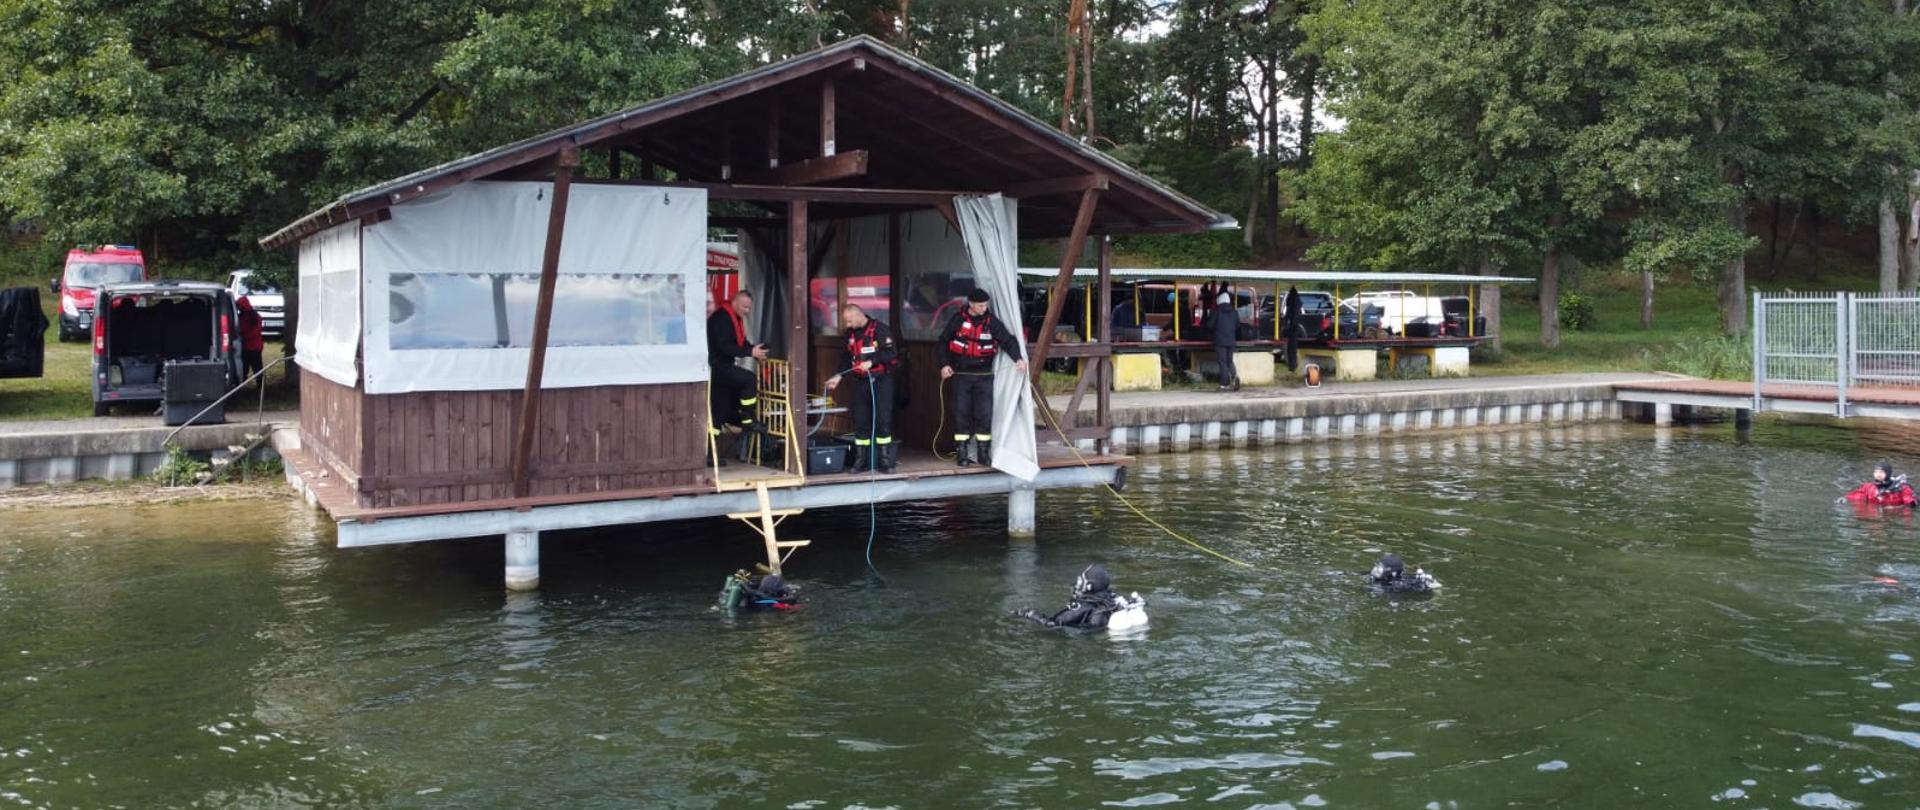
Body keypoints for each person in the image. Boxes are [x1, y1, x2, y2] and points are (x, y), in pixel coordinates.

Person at [938, 288, 1029, 467]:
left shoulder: (991, 322)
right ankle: (962, 452)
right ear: (971, 304)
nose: (984, 307)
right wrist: (944, 364)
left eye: (986, 304)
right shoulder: (957, 320)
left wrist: (1018, 358)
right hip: (961, 375)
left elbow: (1007, 340)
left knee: (984, 414)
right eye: (980, 305)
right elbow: (942, 342)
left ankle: (983, 453)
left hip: (984, 376)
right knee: (961, 413)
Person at [827, 303, 899, 473]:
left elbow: (891, 353)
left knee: (883, 420)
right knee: (860, 421)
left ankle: (884, 460)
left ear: (859, 316)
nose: (848, 325)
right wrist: (839, 376)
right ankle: (861, 461)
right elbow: (845, 359)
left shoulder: (880, 330)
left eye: (850, 321)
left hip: (881, 381)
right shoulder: (849, 335)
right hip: (860, 382)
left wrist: (872, 361)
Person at [707, 290, 768, 460]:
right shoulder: (721, 319)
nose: (747, 311)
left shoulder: (734, 318)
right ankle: (749, 421)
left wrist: (754, 349)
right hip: (717, 367)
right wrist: (750, 351)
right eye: (744, 307)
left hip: (722, 367)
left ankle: (710, 455)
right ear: (734, 302)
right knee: (748, 379)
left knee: (719, 412)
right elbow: (724, 347)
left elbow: (740, 343)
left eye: (749, 308)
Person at [1017, 564, 1146, 629]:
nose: (1078, 586)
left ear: (1089, 587)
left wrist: (1030, 614)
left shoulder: (1084, 606)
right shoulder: (1113, 598)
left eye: (1081, 583)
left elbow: (1053, 624)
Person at [718, 569, 799, 611]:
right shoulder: (765, 597)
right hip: (749, 610)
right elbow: (786, 600)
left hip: (740, 607)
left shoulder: (753, 591)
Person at [1847, 462, 1917, 507]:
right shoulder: (1868, 487)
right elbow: (1857, 496)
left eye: (1881, 472)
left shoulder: (1902, 488)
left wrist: (1895, 509)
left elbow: (1909, 505)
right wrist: (1845, 499)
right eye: (1876, 472)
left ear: (1888, 474)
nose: (1878, 475)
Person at [1369, 554, 1441, 595]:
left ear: (1392, 573)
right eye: (1377, 565)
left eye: (1380, 568)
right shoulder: (1378, 578)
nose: (1376, 569)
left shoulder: (1399, 585)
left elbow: (1433, 584)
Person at [1211, 291, 1240, 391]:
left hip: (1220, 341)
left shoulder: (1217, 312)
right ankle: (1235, 376)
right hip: (1231, 340)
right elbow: (1237, 326)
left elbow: (1210, 325)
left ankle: (1224, 385)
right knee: (1229, 361)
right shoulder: (1234, 312)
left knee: (1222, 362)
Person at [236, 296, 265, 388]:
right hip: (249, 346)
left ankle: (260, 387)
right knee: (246, 368)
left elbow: (255, 332)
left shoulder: (254, 317)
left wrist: (242, 335)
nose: (238, 308)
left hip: (253, 346)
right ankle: (243, 386)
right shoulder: (244, 316)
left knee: (256, 368)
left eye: (239, 306)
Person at [1282, 285, 1303, 372]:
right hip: (1295, 326)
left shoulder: (1291, 301)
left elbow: (1288, 314)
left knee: (1291, 349)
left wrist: (1285, 323)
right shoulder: (1297, 301)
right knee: (1293, 349)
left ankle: (1292, 366)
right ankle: (1293, 366)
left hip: (1292, 327)